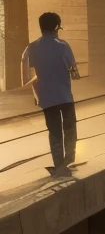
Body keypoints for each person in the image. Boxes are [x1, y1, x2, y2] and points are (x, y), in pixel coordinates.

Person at [22, 11, 80, 176]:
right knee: (69, 128)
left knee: (54, 131)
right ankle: (68, 159)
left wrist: (36, 92)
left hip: (46, 97)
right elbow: (75, 73)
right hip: (65, 96)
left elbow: (27, 77)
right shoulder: (63, 46)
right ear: (56, 27)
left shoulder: (31, 48)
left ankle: (59, 165)